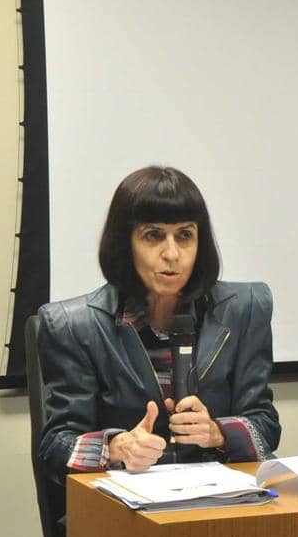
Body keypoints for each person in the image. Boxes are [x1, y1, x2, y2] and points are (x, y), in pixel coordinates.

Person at [38, 166, 281, 481]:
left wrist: (217, 432)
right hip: (126, 508)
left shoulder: (246, 309)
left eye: (185, 235)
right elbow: (56, 447)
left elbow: (266, 425)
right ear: (125, 244)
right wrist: (116, 447)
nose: (172, 253)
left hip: (222, 499)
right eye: (153, 235)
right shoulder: (73, 326)